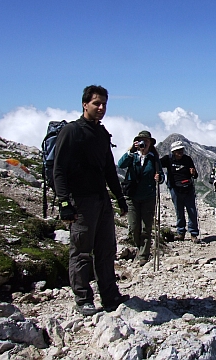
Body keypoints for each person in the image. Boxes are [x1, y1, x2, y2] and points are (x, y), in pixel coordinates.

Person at [53, 85, 130, 316]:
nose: (101, 108)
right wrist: (64, 202)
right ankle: (83, 298)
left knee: (106, 249)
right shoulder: (72, 131)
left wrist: (119, 198)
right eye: (97, 103)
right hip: (81, 201)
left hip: (101, 199)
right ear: (84, 104)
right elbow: (59, 169)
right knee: (81, 251)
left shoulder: (102, 133)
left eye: (104, 104)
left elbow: (109, 169)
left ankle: (109, 295)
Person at [117, 130, 163, 266]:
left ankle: (143, 255)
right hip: (132, 196)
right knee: (133, 227)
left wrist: (159, 178)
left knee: (146, 227)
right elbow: (120, 164)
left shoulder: (153, 158)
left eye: (146, 140)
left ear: (150, 143)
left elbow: (161, 175)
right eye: (141, 140)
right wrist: (131, 150)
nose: (144, 143)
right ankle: (139, 248)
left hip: (148, 196)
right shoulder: (132, 156)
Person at [160, 140, 200, 242]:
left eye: (181, 150)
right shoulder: (168, 159)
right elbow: (157, 164)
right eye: (178, 150)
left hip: (188, 188)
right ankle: (181, 232)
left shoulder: (187, 159)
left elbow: (195, 176)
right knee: (179, 211)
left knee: (192, 211)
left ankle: (193, 233)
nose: (180, 152)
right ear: (173, 151)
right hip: (175, 189)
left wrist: (193, 173)